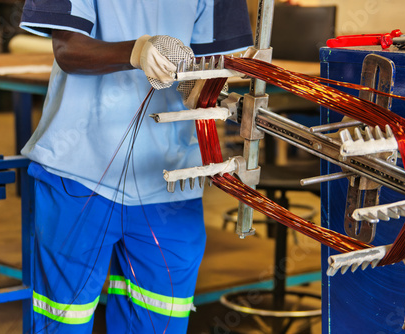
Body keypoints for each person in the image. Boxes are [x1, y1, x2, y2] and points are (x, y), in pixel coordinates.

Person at [19, 1, 253, 333]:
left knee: (158, 322)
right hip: (79, 172)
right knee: (61, 323)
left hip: (169, 179)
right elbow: (68, 49)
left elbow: (214, 63)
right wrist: (137, 51)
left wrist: (204, 86)